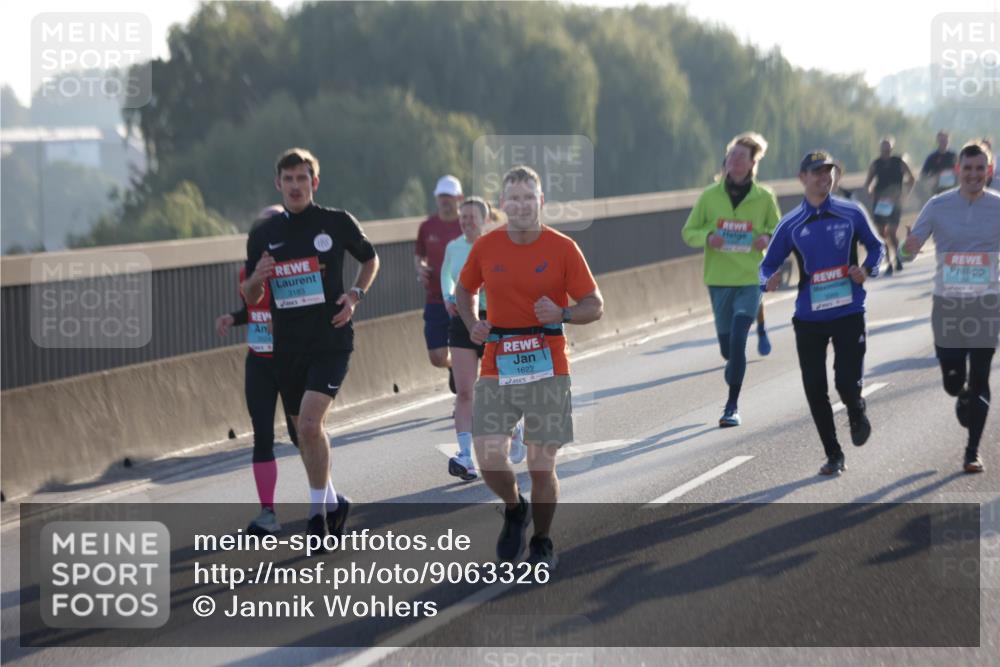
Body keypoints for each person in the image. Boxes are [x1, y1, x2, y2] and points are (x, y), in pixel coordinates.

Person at [456, 165, 603, 569]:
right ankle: (514, 507)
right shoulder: (487, 247)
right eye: (513, 199)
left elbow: (595, 305)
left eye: (529, 198)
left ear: (541, 202)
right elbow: (463, 289)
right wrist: (473, 324)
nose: (521, 205)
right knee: (487, 456)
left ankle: (541, 539)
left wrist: (563, 312)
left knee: (542, 466)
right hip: (498, 361)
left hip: (548, 363)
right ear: (503, 205)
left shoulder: (563, 248)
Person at [243, 148, 380, 543]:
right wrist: (259, 277)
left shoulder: (335, 222)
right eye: (288, 180)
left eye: (302, 178)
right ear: (279, 185)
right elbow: (251, 296)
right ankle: (334, 500)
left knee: (309, 422)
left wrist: (354, 295)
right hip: (287, 347)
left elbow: (370, 260)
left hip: (331, 340)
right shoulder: (263, 235)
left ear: (314, 183)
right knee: (303, 433)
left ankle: (317, 517)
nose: (296, 186)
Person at [761, 151, 885, 475]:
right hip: (809, 319)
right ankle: (834, 455)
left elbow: (877, 247)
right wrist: (767, 281)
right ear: (803, 178)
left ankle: (856, 408)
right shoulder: (790, 224)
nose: (824, 178)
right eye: (816, 173)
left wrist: (868, 269)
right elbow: (766, 265)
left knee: (845, 382)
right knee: (815, 388)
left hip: (848, 311)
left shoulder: (851, 212)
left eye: (828, 172)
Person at [901, 141, 1000, 473]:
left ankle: (972, 451)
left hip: (986, 304)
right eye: (968, 169)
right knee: (953, 381)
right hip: (948, 304)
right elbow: (908, 252)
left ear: (990, 171)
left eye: (980, 169)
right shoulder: (938, 205)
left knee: (982, 377)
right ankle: (962, 394)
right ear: (959, 171)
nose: (974, 175)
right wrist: (907, 248)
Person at [681, 132, 781, 427]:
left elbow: (779, 230)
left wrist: (767, 237)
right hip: (719, 279)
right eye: (731, 156)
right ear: (725, 161)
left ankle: (731, 405)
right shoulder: (709, 197)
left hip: (750, 277)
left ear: (752, 164)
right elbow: (688, 232)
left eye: (741, 156)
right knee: (729, 349)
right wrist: (708, 237)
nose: (734, 161)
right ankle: (733, 364)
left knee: (738, 338)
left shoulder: (764, 197)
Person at [215, 233, 300, 535]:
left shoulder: (297, 268)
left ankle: (326, 497)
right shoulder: (247, 273)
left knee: (302, 434)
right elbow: (252, 308)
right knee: (262, 435)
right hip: (259, 362)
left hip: (291, 361)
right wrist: (232, 317)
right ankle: (268, 513)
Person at [441, 197, 526, 481]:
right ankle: (465, 457)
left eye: (471, 217)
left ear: (486, 219)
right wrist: (447, 296)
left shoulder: (497, 245)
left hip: (495, 319)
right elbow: (446, 276)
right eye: (462, 217)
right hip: (463, 319)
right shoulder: (453, 247)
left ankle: (514, 430)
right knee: (465, 392)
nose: (465, 221)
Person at [415, 175, 465, 393]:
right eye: (441, 196)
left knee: (466, 346)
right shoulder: (427, 226)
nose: (445, 201)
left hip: (464, 300)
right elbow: (419, 255)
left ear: (459, 198)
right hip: (435, 297)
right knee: (437, 357)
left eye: (449, 196)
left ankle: (466, 384)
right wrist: (421, 268)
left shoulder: (468, 224)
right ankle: (458, 365)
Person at [864, 137, 915, 276]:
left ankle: (897, 257)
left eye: (888, 149)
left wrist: (906, 196)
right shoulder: (876, 164)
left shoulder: (899, 162)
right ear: (880, 149)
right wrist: (871, 193)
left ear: (892, 149)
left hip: (895, 202)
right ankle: (889, 263)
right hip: (880, 203)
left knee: (892, 232)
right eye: (883, 149)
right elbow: (868, 183)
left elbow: (911, 179)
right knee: (881, 234)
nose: (886, 151)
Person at [920, 130, 958, 195]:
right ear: (937, 141)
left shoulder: (953, 156)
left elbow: (959, 171)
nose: (944, 143)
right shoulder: (932, 157)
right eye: (942, 141)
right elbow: (923, 174)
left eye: (945, 140)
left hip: (952, 189)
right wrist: (933, 179)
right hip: (937, 190)